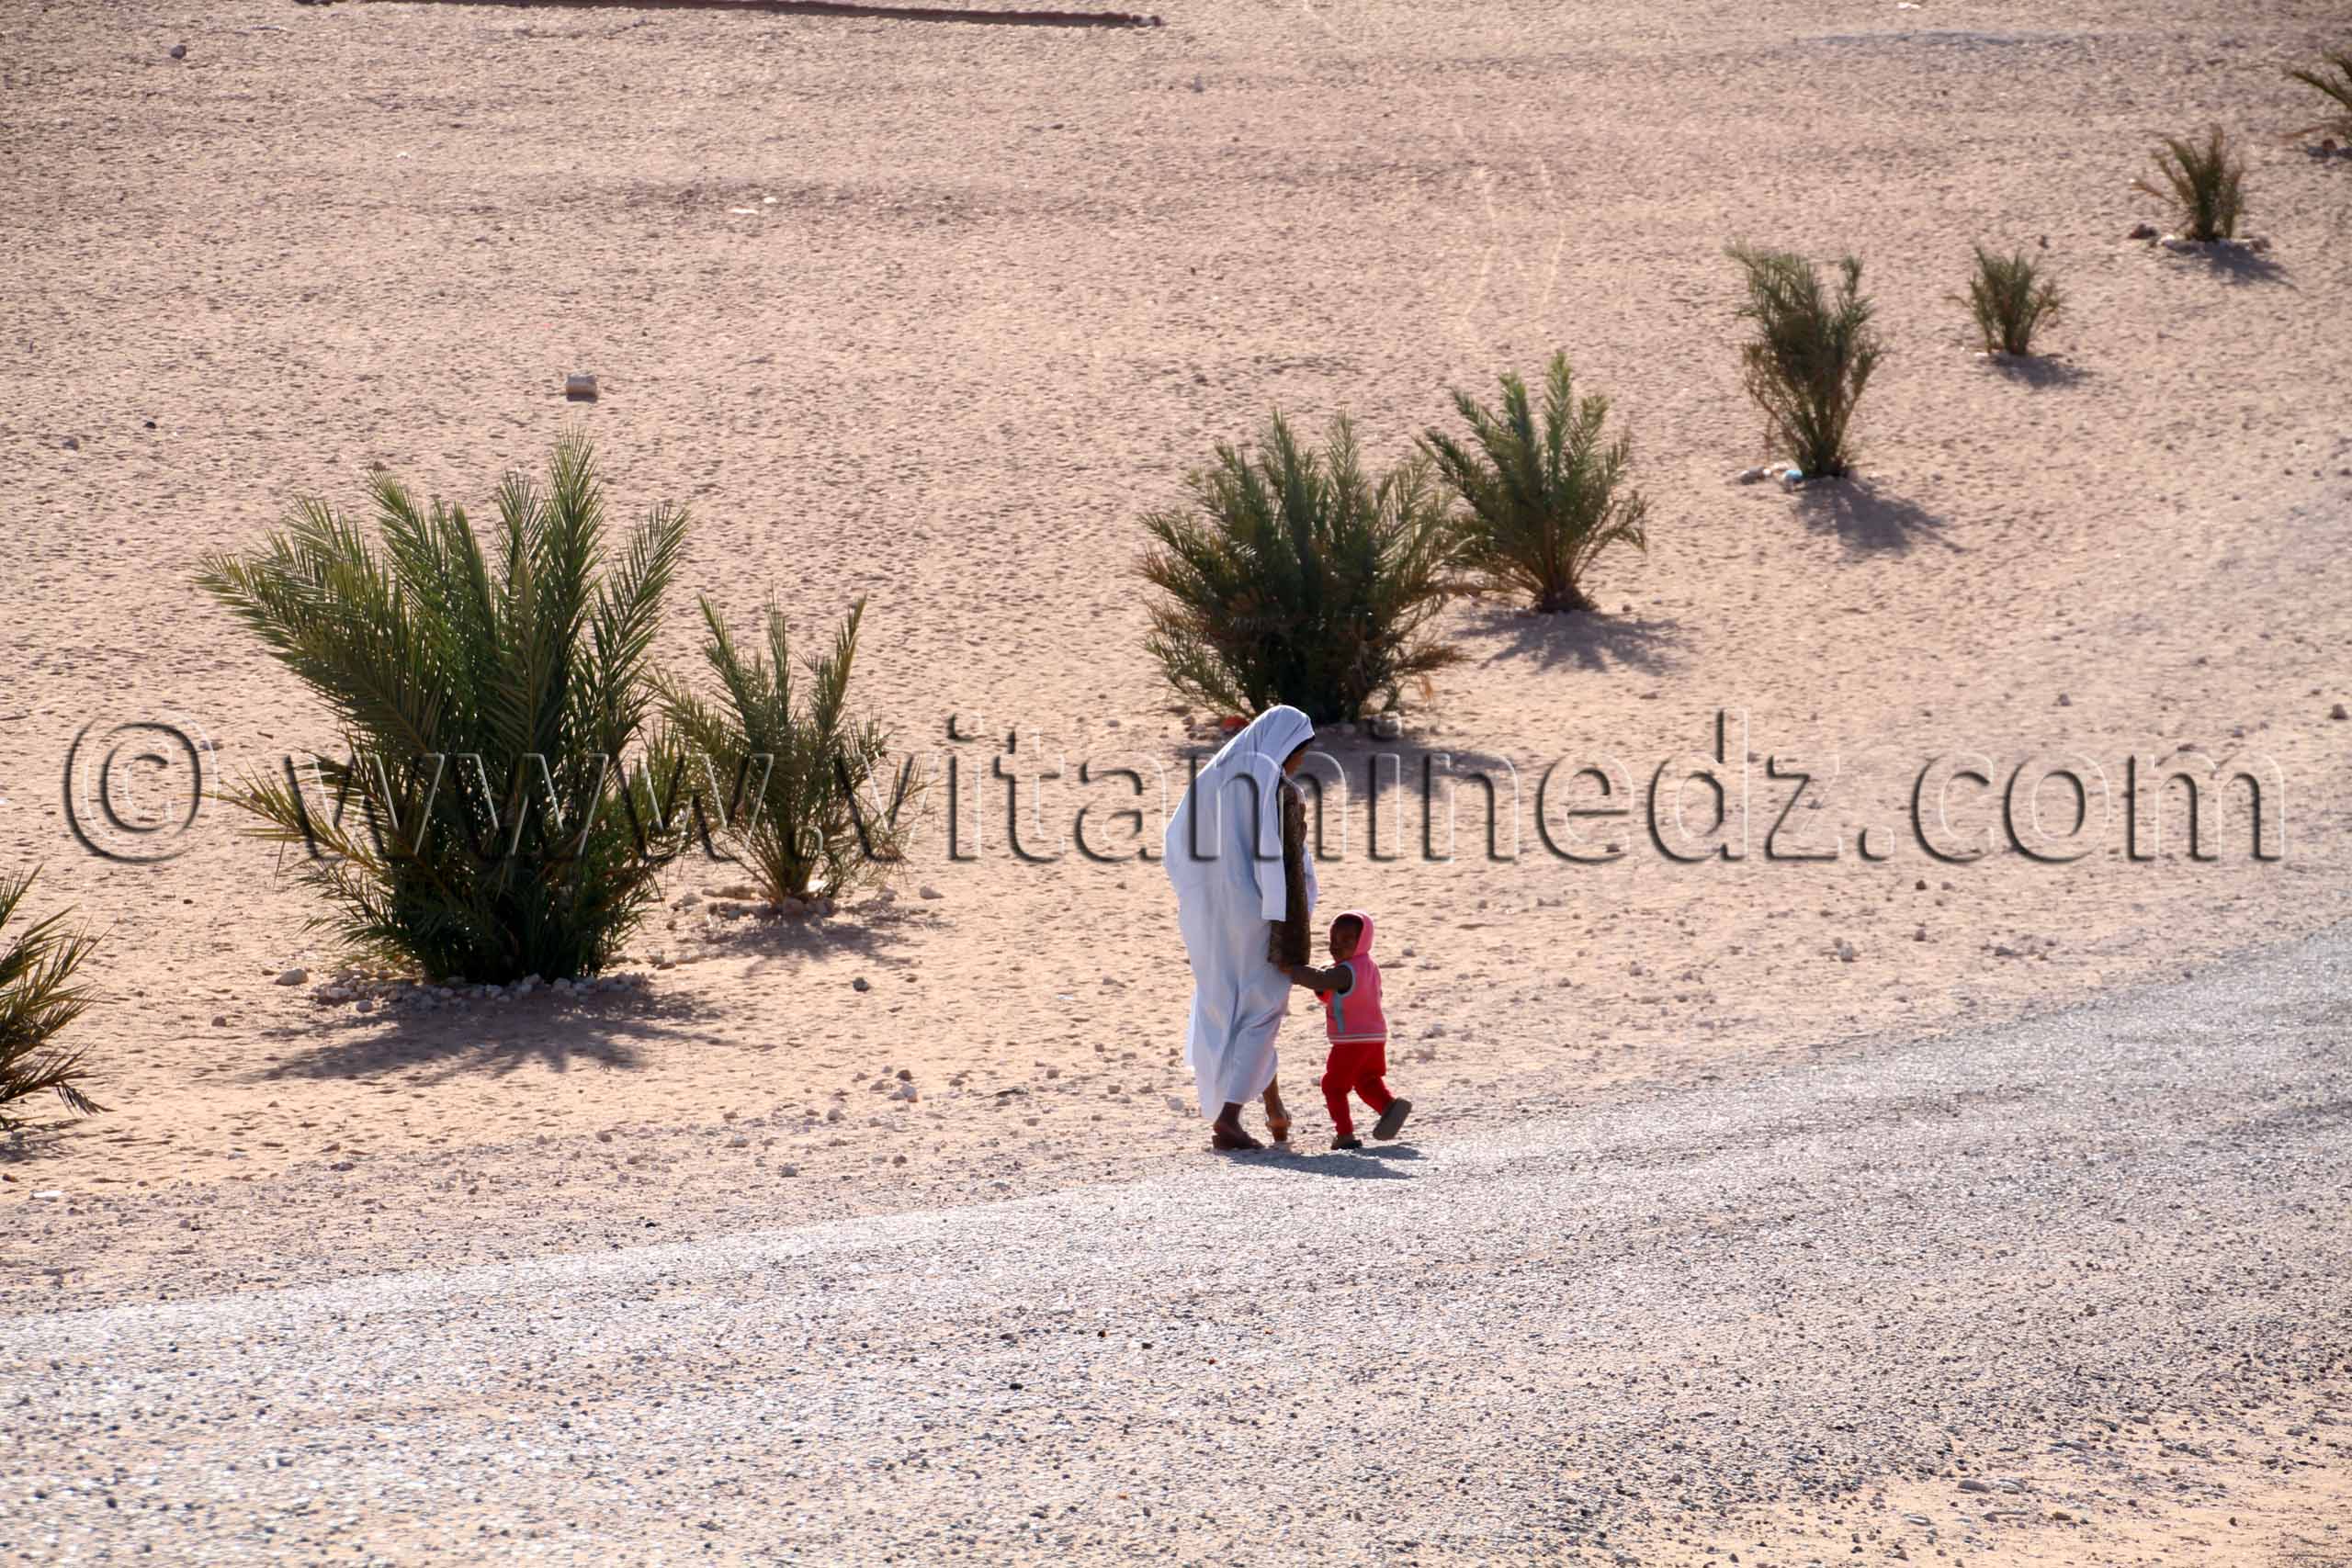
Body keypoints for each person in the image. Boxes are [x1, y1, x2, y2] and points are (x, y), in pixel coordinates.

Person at [1163, 705, 1317, 1151]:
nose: (1299, 764)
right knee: (1263, 1009)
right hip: (1257, 911)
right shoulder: (1273, 784)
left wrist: (1199, 891)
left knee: (1221, 1001)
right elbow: (1279, 857)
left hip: (1206, 913)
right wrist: (1285, 914)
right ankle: (1229, 1117)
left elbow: (1175, 840)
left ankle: (1272, 1110)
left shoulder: (1211, 778)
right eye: (1300, 754)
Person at [1284, 910, 1411, 1150]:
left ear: (1362, 941)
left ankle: (1344, 1134)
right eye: (1333, 941)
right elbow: (1334, 990)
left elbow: (1322, 980)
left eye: (1346, 941)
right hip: (1375, 1037)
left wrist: (1292, 971)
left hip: (1352, 1040)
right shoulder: (1368, 966)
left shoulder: (1346, 971)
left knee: (1333, 1085)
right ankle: (1388, 1107)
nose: (1336, 947)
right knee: (1366, 1080)